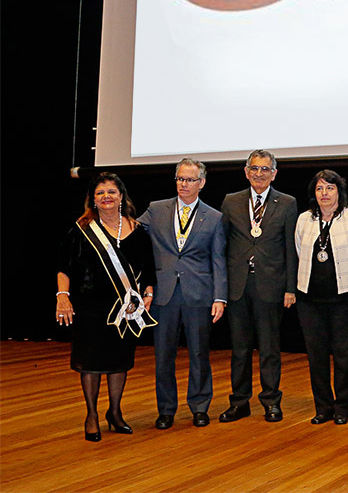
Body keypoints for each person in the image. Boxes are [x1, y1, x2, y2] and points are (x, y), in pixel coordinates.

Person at [56, 172, 156, 441]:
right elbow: (64, 267)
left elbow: (147, 270)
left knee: (119, 361)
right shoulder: (81, 229)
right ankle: (91, 415)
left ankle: (115, 412)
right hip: (89, 308)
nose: (106, 197)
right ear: (93, 200)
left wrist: (147, 293)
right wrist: (62, 295)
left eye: (111, 191)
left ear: (121, 196)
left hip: (124, 310)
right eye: (100, 193)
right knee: (90, 363)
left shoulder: (138, 231)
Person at [138, 158, 228, 430]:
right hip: (163, 295)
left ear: (201, 183)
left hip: (199, 295)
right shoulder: (156, 209)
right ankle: (165, 409)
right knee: (163, 355)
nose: (183, 184)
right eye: (180, 179)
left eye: (189, 180)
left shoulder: (214, 217)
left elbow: (218, 260)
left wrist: (220, 297)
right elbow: (130, 234)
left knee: (199, 354)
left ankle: (200, 407)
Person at [219, 150, 298, 423]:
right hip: (238, 285)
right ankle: (239, 402)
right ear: (246, 171)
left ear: (274, 173)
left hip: (271, 286)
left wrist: (290, 288)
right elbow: (222, 246)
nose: (259, 174)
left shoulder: (287, 203)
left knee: (269, 348)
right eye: (254, 168)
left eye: (265, 169)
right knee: (239, 349)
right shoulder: (231, 202)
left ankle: (271, 401)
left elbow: (290, 248)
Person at [294, 170, 348, 425]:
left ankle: (342, 407)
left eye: (329, 188)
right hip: (310, 300)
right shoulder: (304, 220)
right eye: (320, 189)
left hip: (344, 299)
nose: (324, 193)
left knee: (344, 355)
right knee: (316, 356)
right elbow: (300, 251)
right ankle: (323, 407)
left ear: (339, 192)